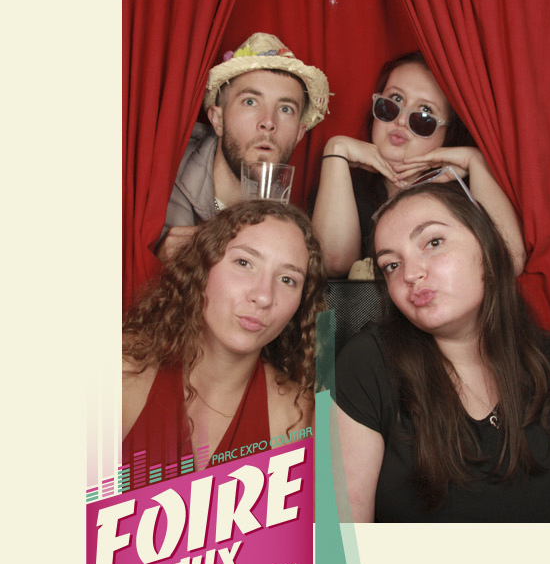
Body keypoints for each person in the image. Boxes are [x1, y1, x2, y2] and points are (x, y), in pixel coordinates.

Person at [332, 181, 550, 523]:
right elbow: (340, 544)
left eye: (433, 242)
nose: (411, 274)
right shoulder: (366, 364)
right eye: (391, 265)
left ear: (486, 244)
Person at [123, 199, 326, 482]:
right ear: (202, 266)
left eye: (287, 280)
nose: (263, 296)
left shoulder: (298, 415)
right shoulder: (121, 374)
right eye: (244, 263)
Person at [311, 49, 525, 279]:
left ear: (448, 131)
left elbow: (509, 262)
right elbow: (333, 264)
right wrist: (336, 150)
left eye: (425, 113)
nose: (401, 120)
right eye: (394, 101)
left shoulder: (466, 193)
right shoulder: (344, 185)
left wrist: (475, 160)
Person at [157, 33, 330, 264]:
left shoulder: (285, 219)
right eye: (250, 102)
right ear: (217, 120)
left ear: (299, 133)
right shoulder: (160, 188)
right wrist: (156, 262)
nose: (268, 122)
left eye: (285, 109)